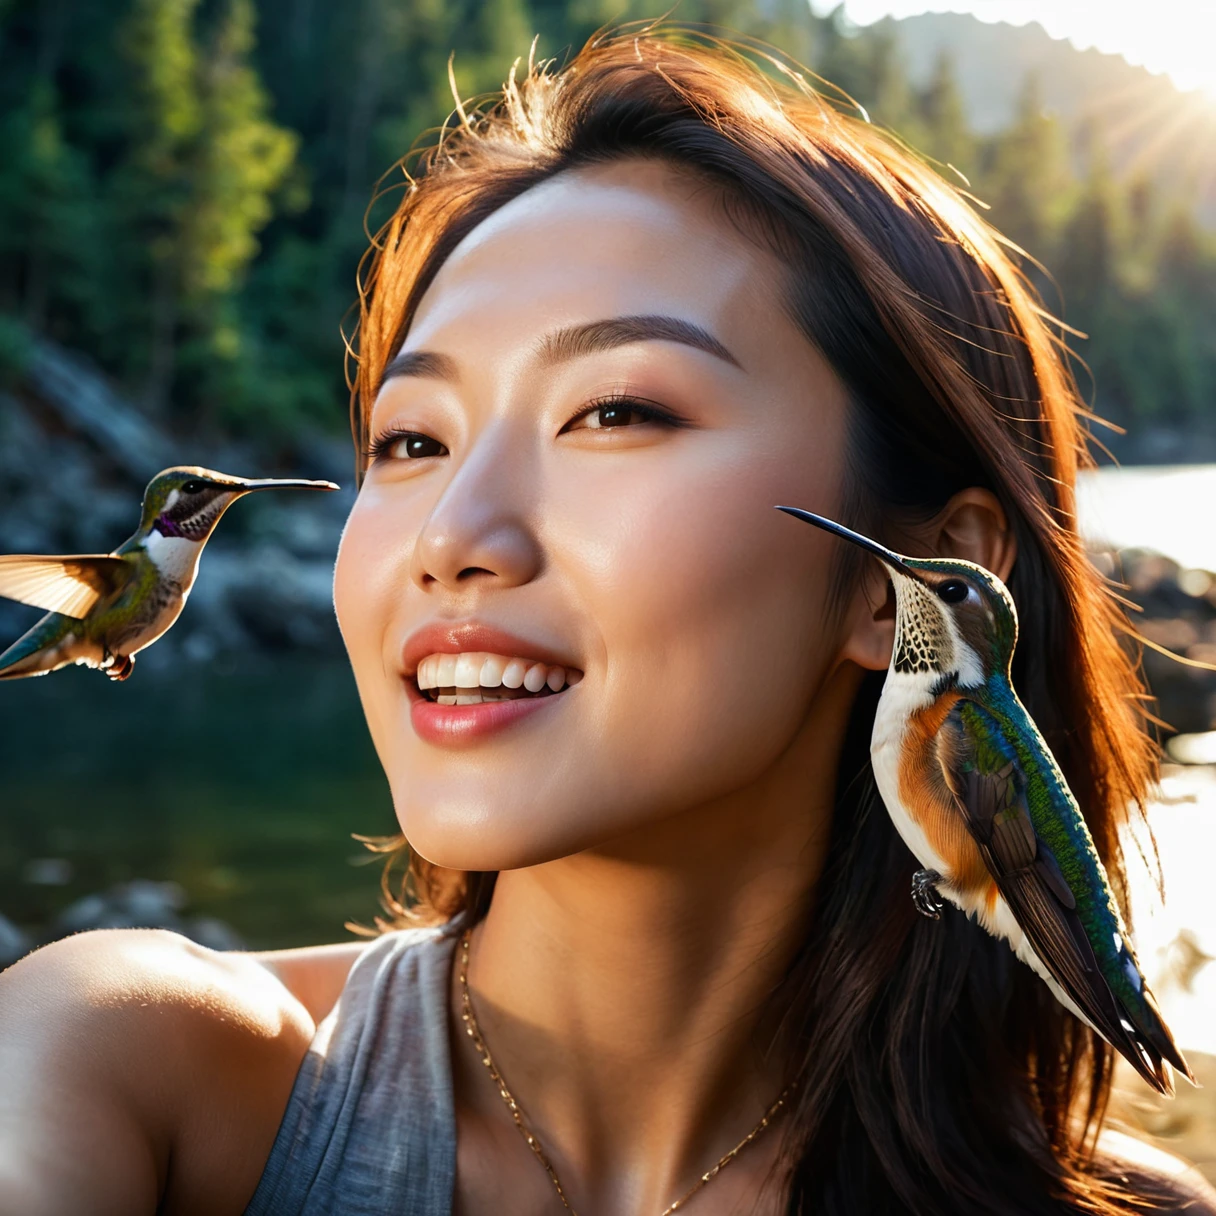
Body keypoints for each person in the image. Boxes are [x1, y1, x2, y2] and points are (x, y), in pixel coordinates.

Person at [1, 24, 1213, 1216]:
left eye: (616, 412)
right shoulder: (129, 1065)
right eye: (410, 440)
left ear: (909, 570)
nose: (451, 537)